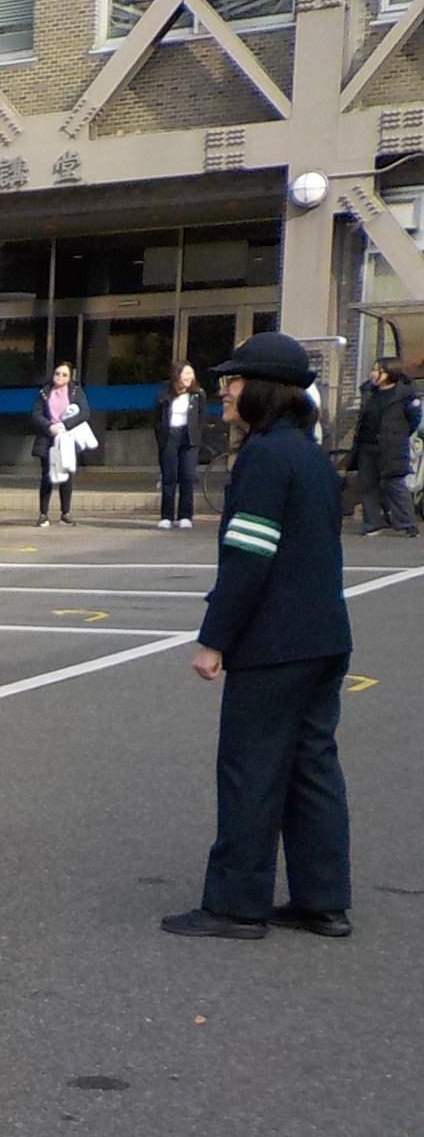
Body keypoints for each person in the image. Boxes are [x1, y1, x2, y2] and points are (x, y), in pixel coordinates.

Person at [162, 333, 354, 942]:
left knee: (251, 768)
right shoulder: (312, 456)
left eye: (234, 384)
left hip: (274, 643)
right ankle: (323, 901)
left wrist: (214, 639)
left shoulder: (266, 458)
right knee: (311, 767)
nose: (224, 395)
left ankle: (236, 904)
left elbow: (249, 557)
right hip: (324, 636)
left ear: (263, 390)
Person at [346, 357, 420, 538]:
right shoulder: (368, 391)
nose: (373, 374)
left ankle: (407, 523)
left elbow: (414, 421)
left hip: (392, 446)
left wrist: (398, 435)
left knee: (394, 483)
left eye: (378, 370)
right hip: (367, 445)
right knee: (368, 485)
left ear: (390, 373)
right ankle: (372, 524)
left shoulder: (405, 395)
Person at [30, 363, 92, 527]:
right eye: (58, 374)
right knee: (47, 477)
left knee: (66, 476)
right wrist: (49, 426)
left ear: (70, 377)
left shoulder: (76, 391)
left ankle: (66, 513)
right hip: (48, 438)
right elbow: (36, 414)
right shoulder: (44, 392)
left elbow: (84, 412)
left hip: (67, 438)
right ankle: (43, 514)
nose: (60, 377)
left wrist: (66, 425)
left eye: (64, 375)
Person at [155, 362, 203, 530]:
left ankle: (185, 515)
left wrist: (198, 437)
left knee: (188, 477)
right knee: (169, 477)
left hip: (189, 438)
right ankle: (166, 516)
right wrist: (160, 438)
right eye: (186, 374)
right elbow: (157, 418)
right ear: (177, 375)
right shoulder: (164, 393)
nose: (189, 378)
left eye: (191, 374)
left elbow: (201, 418)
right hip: (170, 437)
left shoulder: (198, 394)